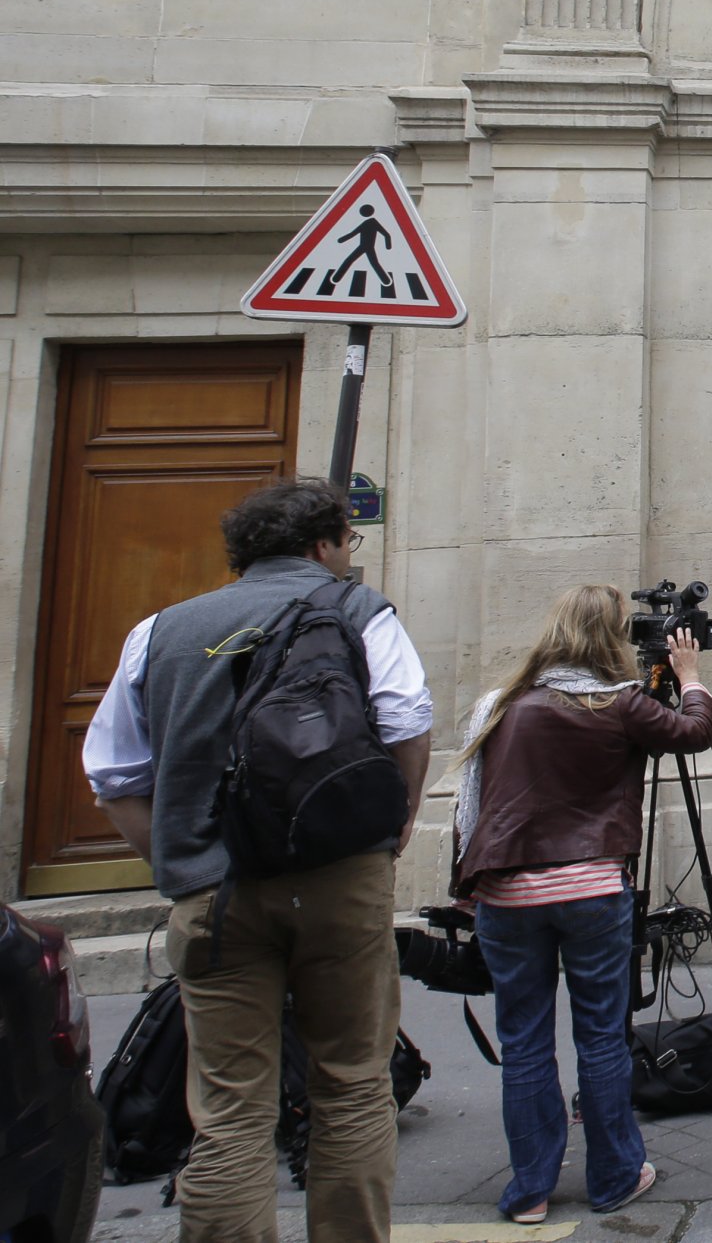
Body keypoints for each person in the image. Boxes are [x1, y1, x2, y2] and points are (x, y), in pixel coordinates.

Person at [81, 477, 431, 1243]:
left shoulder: (159, 629)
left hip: (217, 893)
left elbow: (111, 774)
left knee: (230, 1108)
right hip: (341, 878)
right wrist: (392, 832)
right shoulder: (358, 612)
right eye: (347, 541)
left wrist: (179, 857)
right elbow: (408, 716)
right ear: (322, 544)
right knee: (351, 1084)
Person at [451, 586, 712, 1224]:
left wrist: (462, 889)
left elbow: (471, 804)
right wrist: (690, 677)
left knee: (523, 1041)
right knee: (601, 1037)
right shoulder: (621, 704)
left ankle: (530, 1191)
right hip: (592, 888)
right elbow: (696, 732)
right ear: (608, 640)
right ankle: (614, 1176)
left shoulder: (500, 703)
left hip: (508, 893)